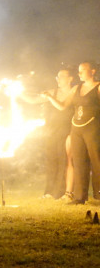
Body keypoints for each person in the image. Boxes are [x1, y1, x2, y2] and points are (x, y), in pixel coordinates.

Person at [46, 62, 100, 204]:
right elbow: (63, 106)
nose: (80, 73)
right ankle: (79, 197)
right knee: (78, 162)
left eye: (83, 70)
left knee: (97, 161)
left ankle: (98, 196)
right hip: (76, 128)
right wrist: (50, 97)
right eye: (79, 71)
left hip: (93, 128)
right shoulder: (76, 88)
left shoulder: (98, 87)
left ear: (93, 71)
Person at [26, 68, 76, 199]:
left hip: (67, 130)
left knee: (64, 160)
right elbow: (33, 101)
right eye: (57, 77)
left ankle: (63, 192)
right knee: (51, 160)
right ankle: (49, 192)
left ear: (70, 78)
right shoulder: (54, 92)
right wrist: (18, 93)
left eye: (61, 76)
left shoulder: (74, 92)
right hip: (52, 131)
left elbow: (62, 106)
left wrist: (49, 96)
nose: (58, 79)